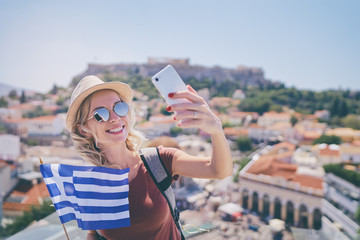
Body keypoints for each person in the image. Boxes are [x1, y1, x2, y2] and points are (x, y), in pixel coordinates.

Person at [66, 75, 233, 240]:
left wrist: (216, 130)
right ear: (83, 129)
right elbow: (94, 232)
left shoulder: (158, 161)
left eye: (119, 107)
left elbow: (218, 170)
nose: (115, 118)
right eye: (100, 115)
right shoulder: (88, 184)